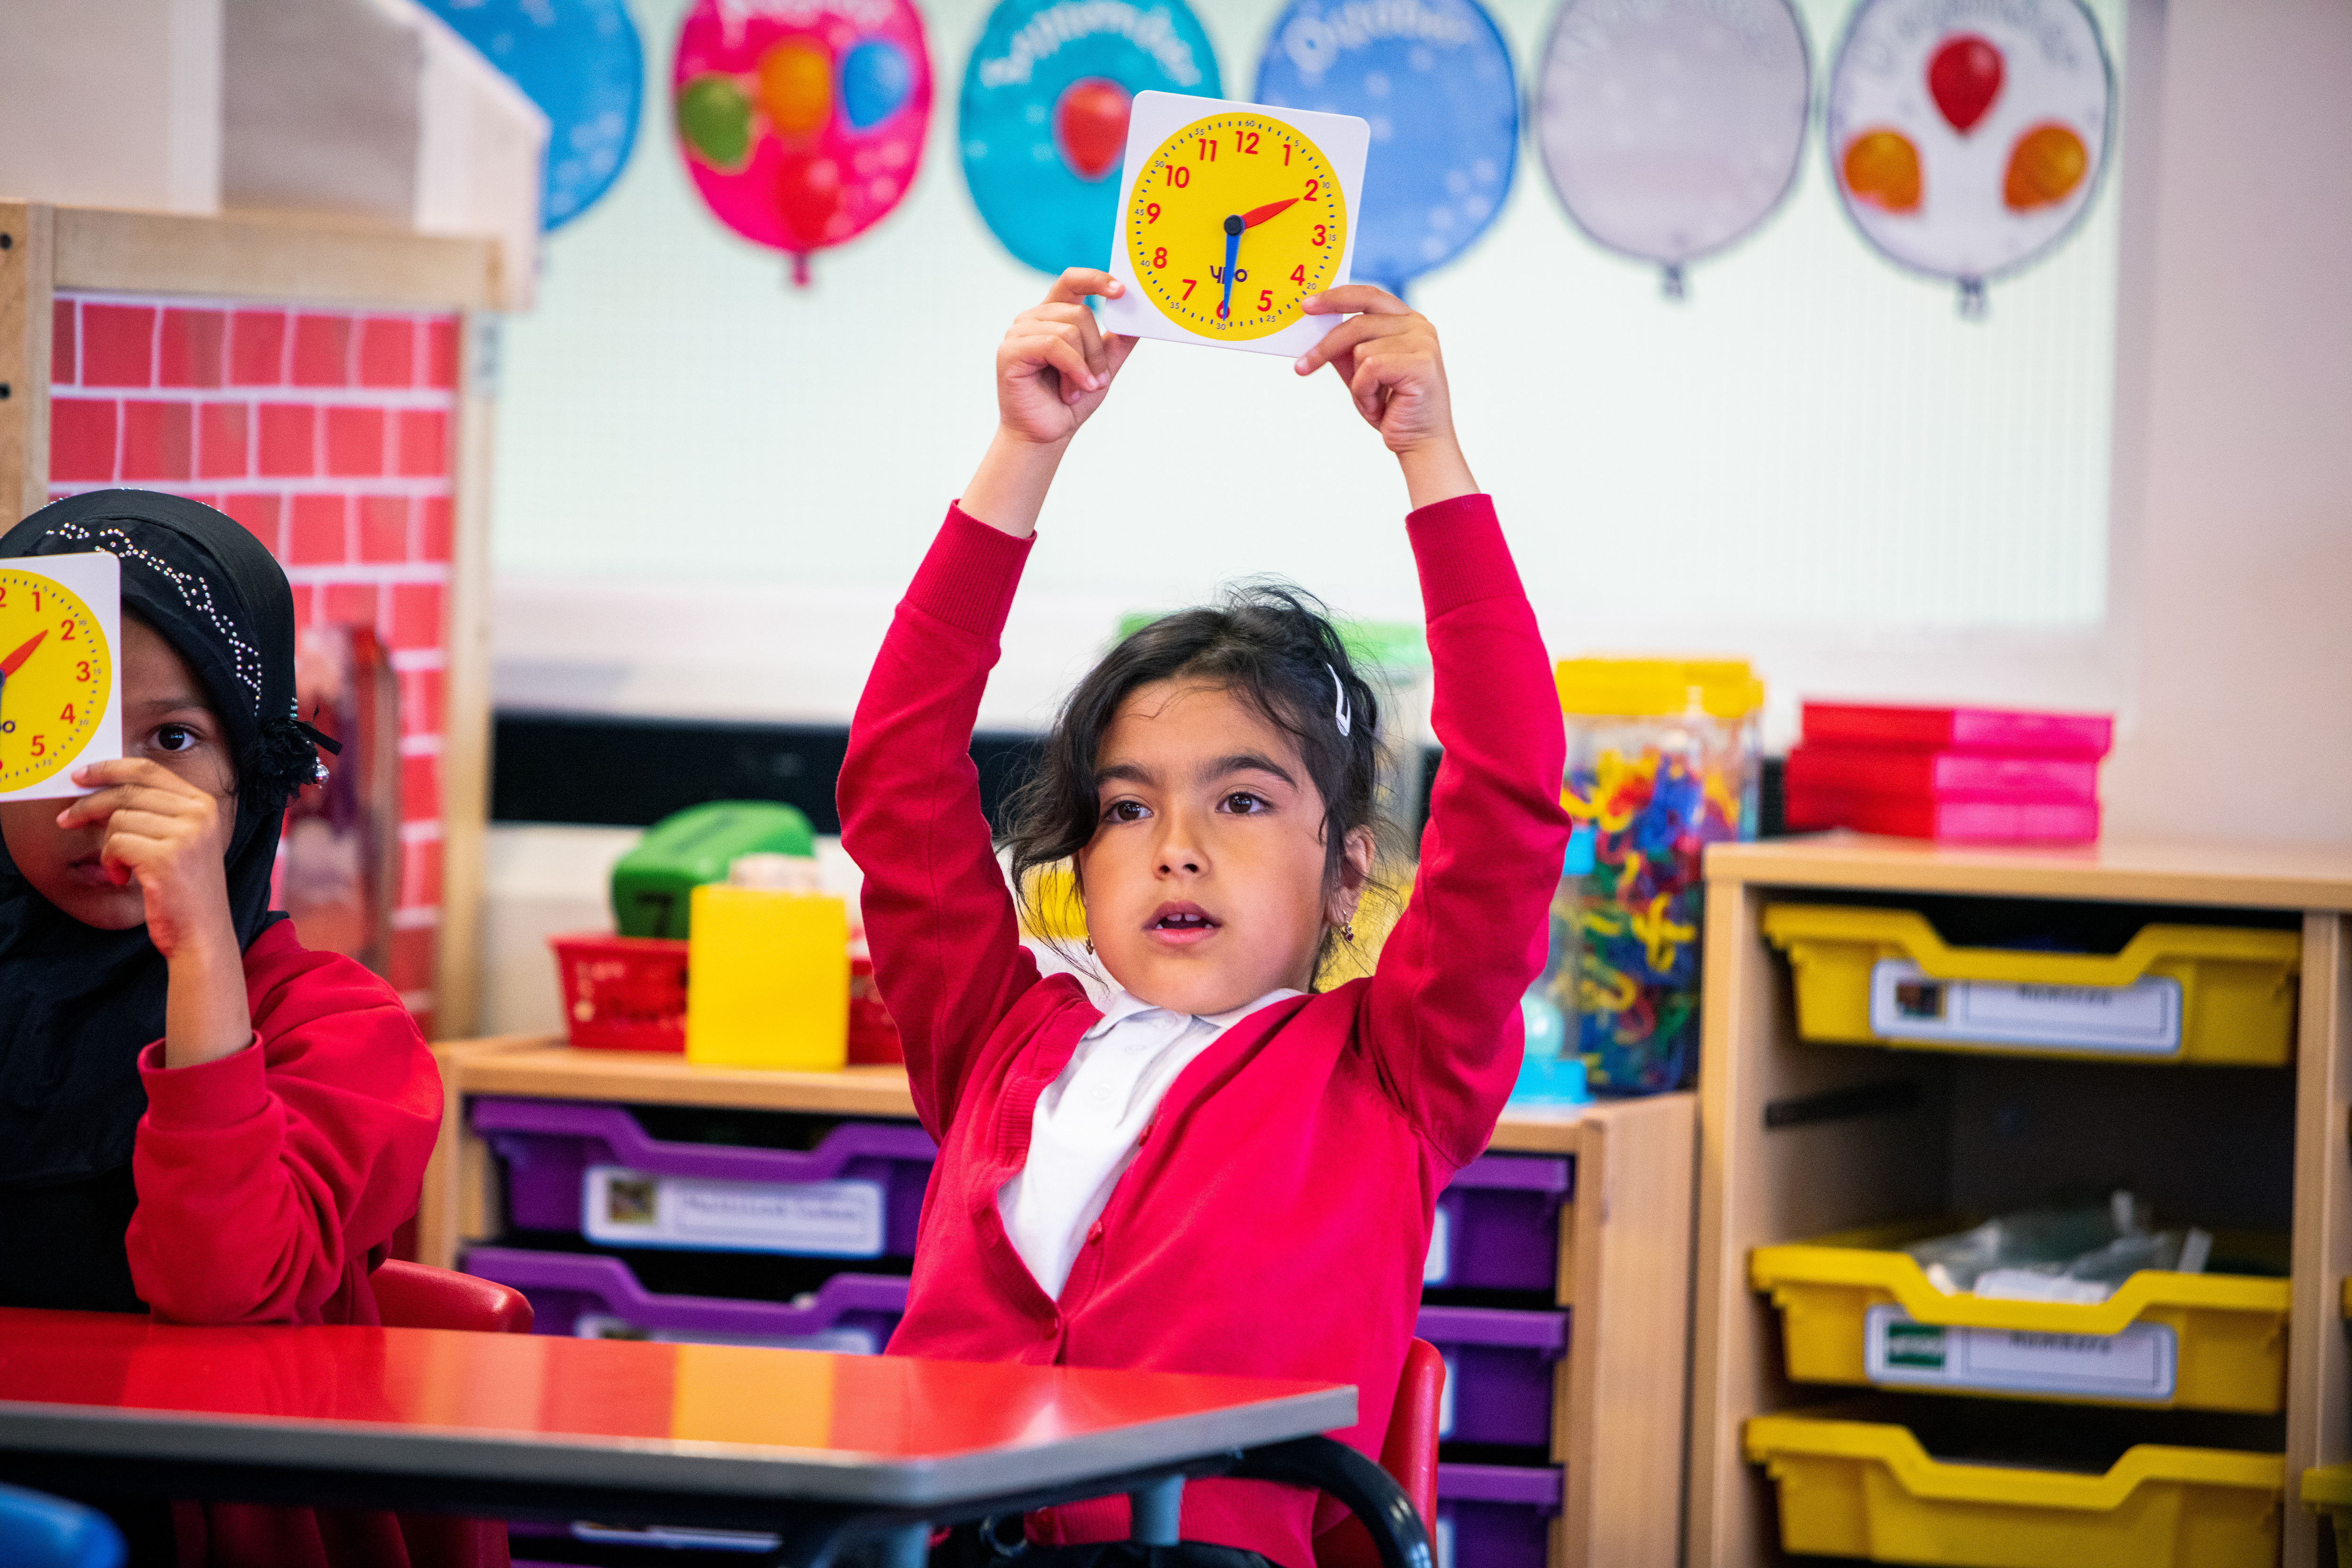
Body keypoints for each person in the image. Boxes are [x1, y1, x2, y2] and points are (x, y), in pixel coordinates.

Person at [838, 272, 1568, 1567]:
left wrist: (1431, 458)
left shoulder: (1391, 1073)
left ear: (1347, 870)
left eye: (1239, 797)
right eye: (1125, 809)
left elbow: (1510, 791)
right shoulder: (1000, 1035)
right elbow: (895, 773)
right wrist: (1024, 449)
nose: (1175, 844)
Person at [0, 491, 447, 1568]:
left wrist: (200, 949)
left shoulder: (343, 1028)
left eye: (175, 738)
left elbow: (221, 1293)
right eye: (61, 735)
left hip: (196, 1524)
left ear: (251, 777)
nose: (111, 790)